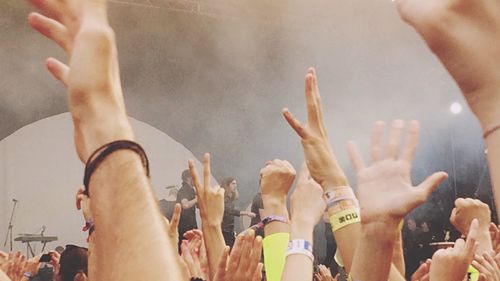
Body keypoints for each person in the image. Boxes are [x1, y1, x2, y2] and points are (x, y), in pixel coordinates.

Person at [220, 177, 255, 248]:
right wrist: (246, 213)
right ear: (227, 185)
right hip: (224, 229)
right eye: (233, 183)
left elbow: (235, 201)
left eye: (236, 184)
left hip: (229, 229)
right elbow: (229, 210)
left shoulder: (230, 197)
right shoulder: (224, 198)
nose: (235, 185)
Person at [177, 169, 198, 246]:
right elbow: (185, 205)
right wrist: (196, 199)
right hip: (186, 228)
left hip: (189, 227)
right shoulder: (185, 190)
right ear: (189, 178)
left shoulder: (191, 190)